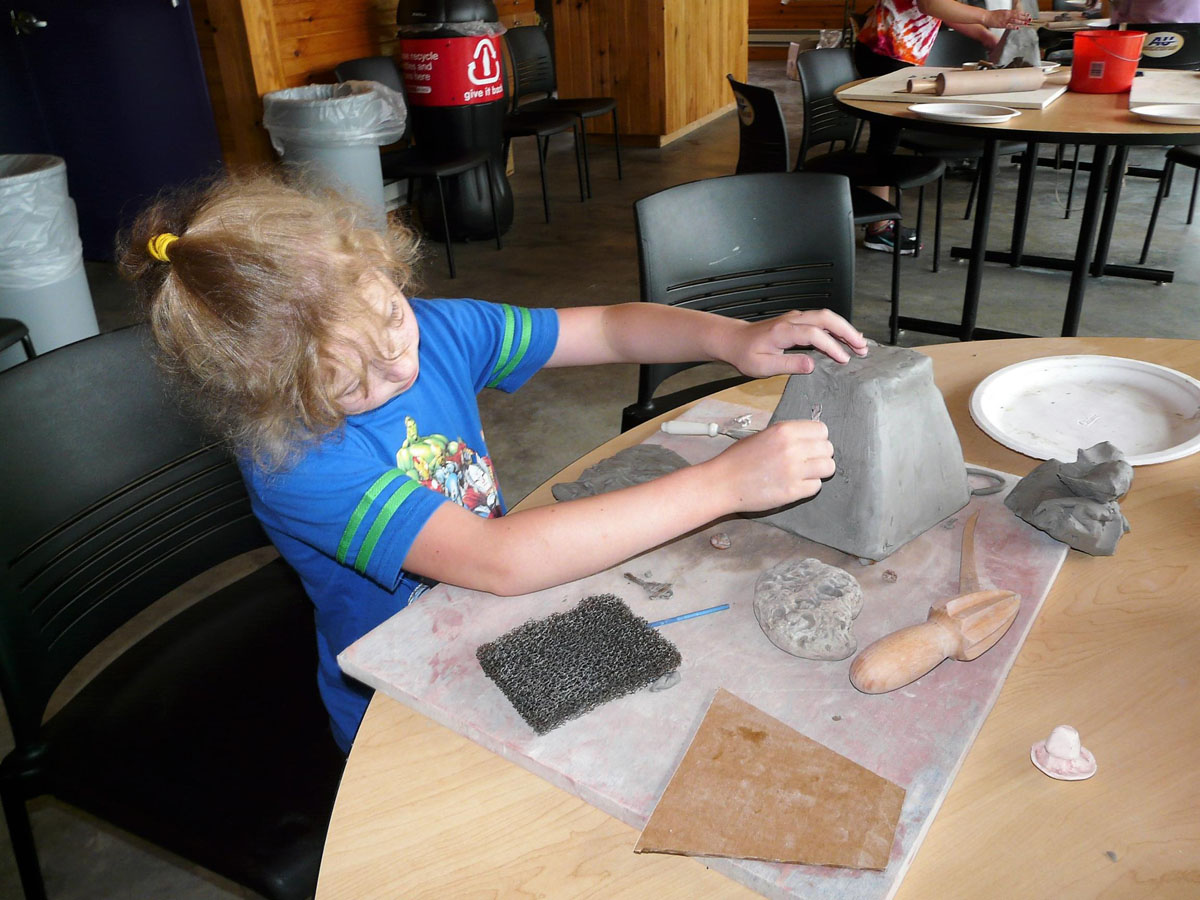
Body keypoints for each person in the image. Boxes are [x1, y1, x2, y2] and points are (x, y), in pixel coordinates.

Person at [119, 168, 869, 753]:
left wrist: (728, 339)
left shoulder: (437, 332)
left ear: (382, 267)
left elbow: (607, 329)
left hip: (495, 623)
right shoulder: (295, 459)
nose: (400, 370)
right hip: (399, 694)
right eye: (352, 381)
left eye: (391, 316)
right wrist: (725, 483)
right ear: (268, 395)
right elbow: (497, 559)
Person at [854, 0, 1033, 254]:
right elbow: (930, 4)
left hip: (894, 51)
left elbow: (943, 10)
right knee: (885, 136)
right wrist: (987, 18)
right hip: (884, 51)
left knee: (886, 136)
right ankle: (878, 225)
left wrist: (985, 36)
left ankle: (875, 218)